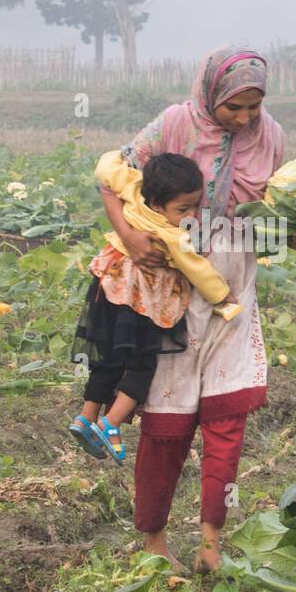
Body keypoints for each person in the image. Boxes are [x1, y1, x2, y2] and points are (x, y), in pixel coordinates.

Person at [101, 45, 296, 574]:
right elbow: (110, 178)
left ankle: (210, 542)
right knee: (167, 423)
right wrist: (131, 238)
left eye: (254, 106)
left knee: (226, 422)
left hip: (232, 289)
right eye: (235, 107)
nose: (246, 118)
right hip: (168, 290)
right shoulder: (174, 124)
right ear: (211, 93)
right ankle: (155, 543)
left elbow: (271, 218)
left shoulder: (269, 135)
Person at [69, 151, 242, 463]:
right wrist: (223, 299)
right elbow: (198, 270)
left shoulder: (134, 193)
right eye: (184, 208)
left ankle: (85, 417)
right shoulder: (173, 236)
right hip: (144, 301)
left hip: (109, 287)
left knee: (107, 357)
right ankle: (111, 424)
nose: (192, 215)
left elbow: (108, 169)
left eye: (195, 206)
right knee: (141, 364)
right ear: (158, 205)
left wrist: (114, 156)